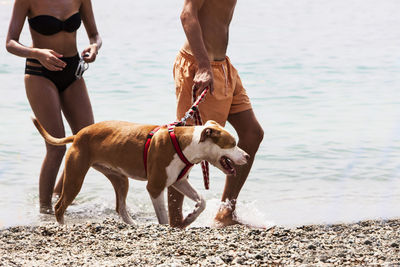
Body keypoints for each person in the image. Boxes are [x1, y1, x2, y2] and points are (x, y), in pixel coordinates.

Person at [169, 0, 264, 227]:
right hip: (199, 66)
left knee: (252, 133)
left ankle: (226, 211)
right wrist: (203, 66)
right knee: (186, 146)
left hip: (223, 67)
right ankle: (173, 223)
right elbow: (186, 14)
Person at [6, 0, 102, 214]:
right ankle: (44, 210)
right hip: (40, 73)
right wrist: (38, 53)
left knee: (88, 142)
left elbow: (95, 35)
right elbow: (10, 43)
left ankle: (59, 197)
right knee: (56, 146)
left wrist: (94, 47)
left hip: (73, 72)